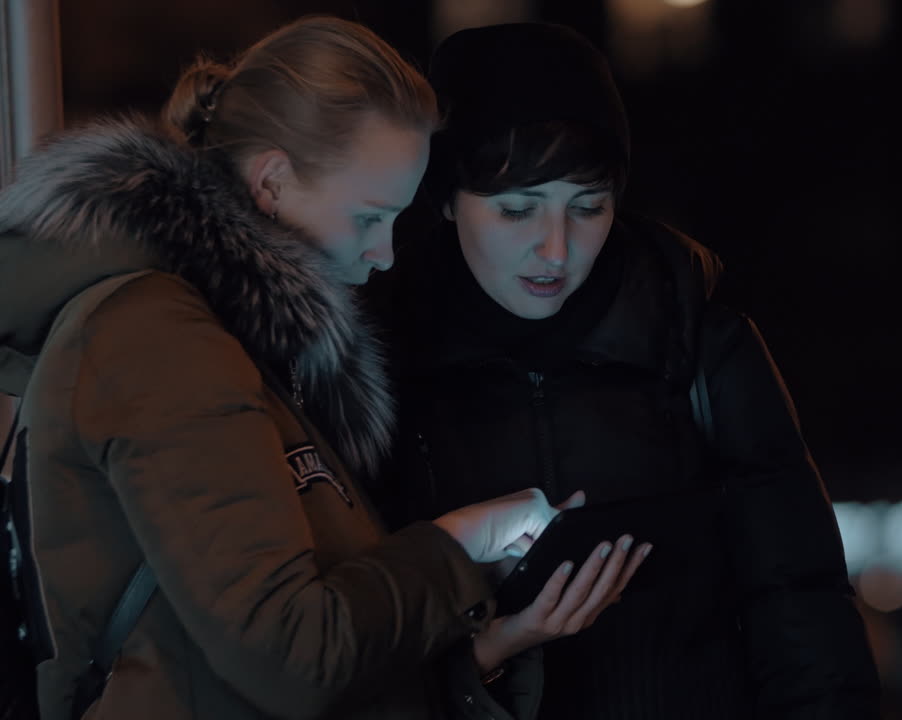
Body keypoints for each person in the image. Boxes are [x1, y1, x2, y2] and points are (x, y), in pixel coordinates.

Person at [0, 16, 618, 720]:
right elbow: (294, 659)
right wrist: (455, 545)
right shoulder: (159, 336)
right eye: (369, 219)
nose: (385, 253)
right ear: (271, 181)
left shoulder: (244, 340)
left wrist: (480, 646)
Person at [366, 22, 883, 719]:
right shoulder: (380, 359)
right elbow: (345, 637)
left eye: (589, 207)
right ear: (446, 198)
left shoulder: (696, 339)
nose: (555, 249)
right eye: (517, 210)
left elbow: (800, 599)